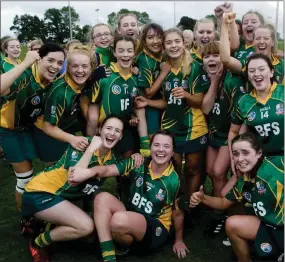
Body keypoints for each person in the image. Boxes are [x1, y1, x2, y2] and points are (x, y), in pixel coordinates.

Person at [22, 116, 143, 262]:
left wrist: (137, 156)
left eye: (117, 131)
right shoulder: (83, 144)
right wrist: (91, 150)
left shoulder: (114, 158)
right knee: (86, 227)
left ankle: (50, 224)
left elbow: (126, 166)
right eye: (108, 128)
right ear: (100, 129)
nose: (112, 133)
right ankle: (37, 243)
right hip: (39, 192)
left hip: (61, 197)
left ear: (121, 136)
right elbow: (74, 179)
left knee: (90, 238)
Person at [68, 130, 182, 262]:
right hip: (131, 214)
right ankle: (109, 255)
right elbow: (107, 170)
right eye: (156, 145)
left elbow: (177, 212)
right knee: (101, 197)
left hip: (155, 227)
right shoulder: (138, 163)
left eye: (166, 146)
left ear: (173, 152)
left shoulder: (174, 180)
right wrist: (88, 172)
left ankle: (120, 243)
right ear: (150, 148)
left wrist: (178, 240)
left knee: (117, 220)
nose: (160, 149)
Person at [190, 132, 284, 262]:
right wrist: (203, 198)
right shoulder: (244, 179)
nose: (240, 159)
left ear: (259, 153)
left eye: (245, 153)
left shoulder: (277, 167)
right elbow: (224, 202)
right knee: (231, 224)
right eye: (235, 154)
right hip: (267, 224)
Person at [0, 43, 65, 217]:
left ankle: (46, 208)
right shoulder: (26, 75)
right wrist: (23, 64)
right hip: (9, 131)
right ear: (38, 59)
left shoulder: (50, 82)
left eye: (59, 63)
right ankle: (26, 219)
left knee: (50, 170)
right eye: (50, 60)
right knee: (25, 178)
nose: (55, 66)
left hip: (29, 129)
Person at [84, 35, 149, 158]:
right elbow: (93, 103)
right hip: (104, 128)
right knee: (98, 162)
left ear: (134, 53)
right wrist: (94, 127)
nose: (125, 54)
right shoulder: (105, 77)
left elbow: (137, 105)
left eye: (129, 51)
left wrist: (133, 116)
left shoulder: (136, 78)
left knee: (125, 164)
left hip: (126, 127)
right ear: (114, 52)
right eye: (121, 50)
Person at [32, 44, 95, 164]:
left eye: (85, 66)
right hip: (48, 133)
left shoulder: (84, 81)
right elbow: (48, 127)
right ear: (68, 68)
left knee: (74, 166)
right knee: (57, 172)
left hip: (65, 126)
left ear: (91, 68)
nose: (80, 70)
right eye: (75, 66)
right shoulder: (60, 92)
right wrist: (72, 139)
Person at [228, 53, 284, 181]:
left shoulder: (283, 93)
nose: (256, 74)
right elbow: (234, 131)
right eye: (251, 71)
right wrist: (234, 157)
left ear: (271, 72)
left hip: (283, 158)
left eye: (261, 69)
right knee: (228, 194)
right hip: (259, 161)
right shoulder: (244, 102)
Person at [201, 41, 245, 198]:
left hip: (229, 134)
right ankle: (218, 206)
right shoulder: (205, 78)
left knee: (219, 172)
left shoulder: (233, 80)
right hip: (214, 133)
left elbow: (239, 117)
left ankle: (222, 211)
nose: (211, 59)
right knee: (210, 172)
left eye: (216, 55)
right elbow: (206, 108)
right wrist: (214, 82)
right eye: (207, 56)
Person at [220, 12, 284, 86]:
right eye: (258, 38)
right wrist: (225, 24)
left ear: (272, 41)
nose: (261, 41)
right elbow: (226, 58)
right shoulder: (248, 62)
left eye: (266, 38)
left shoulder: (281, 64)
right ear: (253, 42)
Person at [135, 23, 164, 136]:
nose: (155, 41)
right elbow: (149, 94)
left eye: (159, 37)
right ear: (144, 40)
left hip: (164, 102)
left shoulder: (164, 55)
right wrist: (163, 73)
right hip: (149, 105)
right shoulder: (144, 59)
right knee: (154, 137)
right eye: (150, 37)